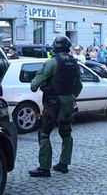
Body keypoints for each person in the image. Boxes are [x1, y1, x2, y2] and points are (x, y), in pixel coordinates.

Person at [29, 36, 83, 177]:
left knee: (44, 133)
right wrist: (70, 97)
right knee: (66, 133)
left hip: (53, 104)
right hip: (69, 103)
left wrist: (38, 84)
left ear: (55, 48)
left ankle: (44, 168)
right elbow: (78, 86)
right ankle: (64, 164)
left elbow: (34, 85)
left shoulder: (52, 62)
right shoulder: (74, 63)